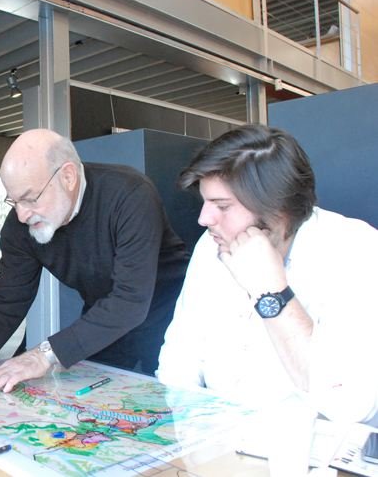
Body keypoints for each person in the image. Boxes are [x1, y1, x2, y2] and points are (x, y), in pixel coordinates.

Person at [0, 128, 191, 394]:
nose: (23, 215)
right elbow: (8, 302)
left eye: (30, 199)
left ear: (68, 176)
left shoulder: (129, 194)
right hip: (101, 322)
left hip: (172, 318)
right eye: (14, 202)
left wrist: (43, 354)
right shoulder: (20, 226)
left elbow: (130, 299)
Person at [156, 125, 378, 426]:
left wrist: (272, 290)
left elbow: (351, 404)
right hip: (211, 442)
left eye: (223, 206)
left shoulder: (355, 250)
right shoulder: (210, 245)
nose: (203, 219)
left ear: (278, 212)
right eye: (206, 202)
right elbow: (181, 355)